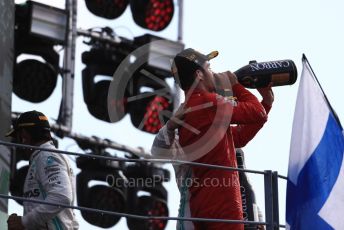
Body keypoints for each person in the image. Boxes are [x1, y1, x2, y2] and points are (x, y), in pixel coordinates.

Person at [151, 48, 274, 230]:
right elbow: (257, 113)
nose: (214, 74)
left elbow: (237, 139)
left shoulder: (194, 108)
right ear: (199, 74)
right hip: (221, 208)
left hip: (206, 207)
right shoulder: (208, 103)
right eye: (209, 68)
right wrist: (235, 85)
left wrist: (266, 102)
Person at [6, 110, 79, 230]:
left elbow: (61, 196)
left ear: (24, 136)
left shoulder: (46, 156)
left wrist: (24, 222)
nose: (18, 143)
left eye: (17, 138)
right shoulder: (44, 156)